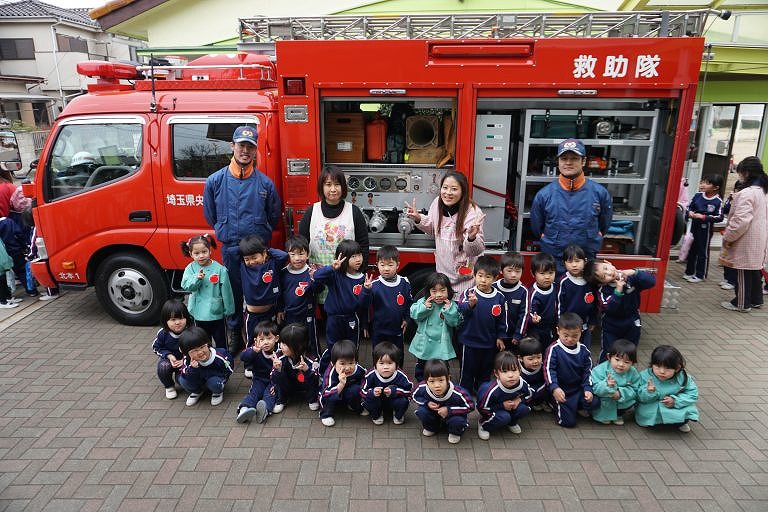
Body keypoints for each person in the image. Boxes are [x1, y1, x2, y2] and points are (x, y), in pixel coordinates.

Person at [203, 126, 282, 354]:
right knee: (234, 293)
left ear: (255, 150)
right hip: (230, 249)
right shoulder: (215, 181)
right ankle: (236, 333)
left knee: (260, 292)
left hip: (258, 252)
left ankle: (262, 336)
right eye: (241, 145)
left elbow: (273, 215)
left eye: (250, 147)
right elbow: (210, 214)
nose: (245, 151)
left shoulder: (265, 184)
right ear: (232, 147)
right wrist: (224, 227)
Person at [530, 138, 613, 273]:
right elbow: (537, 229)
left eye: (574, 158)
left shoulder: (600, 193)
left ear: (583, 161)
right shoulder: (544, 195)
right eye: (563, 158)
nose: (568, 162)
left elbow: (604, 225)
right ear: (558, 162)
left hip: (586, 261)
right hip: (555, 261)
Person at [405, 170, 486, 296]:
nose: (448, 193)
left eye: (454, 189)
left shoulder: (473, 213)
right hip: (443, 277)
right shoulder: (437, 203)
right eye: (445, 188)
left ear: (463, 191)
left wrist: (471, 237)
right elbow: (432, 228)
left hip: (466, 279)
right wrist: (418, 218)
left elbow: (475, 251)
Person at [298, 165, 370, 306]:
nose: (333, 189)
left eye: (337, 184)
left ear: (343, 187)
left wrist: (359, 272)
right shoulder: (312, 211)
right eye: (328, 184)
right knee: (326, 318)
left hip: (346, 277)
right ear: (321, 187)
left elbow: (363, 244)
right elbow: (302, 243)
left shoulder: (353, 212)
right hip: (320, 277)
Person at [313, 239, 372, 373]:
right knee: (333, 348)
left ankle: (353, 374)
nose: (358, 259)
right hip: (334, 319)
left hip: (352, 319)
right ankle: (325, 374)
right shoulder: (335, 274)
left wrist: (367, 291)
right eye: (353, 256)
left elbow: (364, 305)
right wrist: (331, 268)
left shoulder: (363, 278)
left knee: (352, 348)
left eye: (359, 255)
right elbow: (317, 276)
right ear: (343, 258)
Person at [720, 156, 768, 313]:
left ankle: (741, 303)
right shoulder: (764, 191)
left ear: (746, 173)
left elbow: (740, 220)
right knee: (754, 268)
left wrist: (728, 236)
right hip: (761, 236)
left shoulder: (747, 193)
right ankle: (756, 299)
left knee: (742, 269)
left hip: (746, 237)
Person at [585, 259, 656, 363]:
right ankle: (602, 374)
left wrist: (634, 272)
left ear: (608, 263)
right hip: (611, 325)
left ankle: (626, 374)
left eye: (606, 268)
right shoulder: (603, 291)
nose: (609, 272)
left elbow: (651, 282)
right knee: (608, 351)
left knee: (629, 350)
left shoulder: (630, 278)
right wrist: (617, 291)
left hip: (632, 321)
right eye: (604, 276)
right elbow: (609, 308)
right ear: (601, 283)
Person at [456, 255, 507, 395]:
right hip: (469, 341)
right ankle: (464, 393)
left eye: (488, 277)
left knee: (485, 371)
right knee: (467, 370)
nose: (483, 280)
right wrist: (470, 305)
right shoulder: (468, 293)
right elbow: (460, 310)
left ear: (495, 278)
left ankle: (482, 392)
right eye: (480, 275)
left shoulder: (499, 298)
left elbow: (502, 320)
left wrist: (500, 337)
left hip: (488, 343)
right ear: (474, 275)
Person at [238, 234, 288, 377]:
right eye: (247, 259)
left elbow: (283, 255)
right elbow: (231, 252)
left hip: (270, 312)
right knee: (252, 339)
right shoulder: (243, 267)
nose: (251, 262)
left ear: (264, 254)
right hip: (252, 314)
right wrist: (246, 249)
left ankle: (270, 360)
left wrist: (266, 250)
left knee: (269, 337)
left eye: (254, 257)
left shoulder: (272, 263)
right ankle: (249, 364)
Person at [543, 312, 599, 428]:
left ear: (581, 333)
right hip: (560, 391)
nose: (570, 339)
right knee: (568, 423)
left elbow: (587, 371)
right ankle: (552, 401)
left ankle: (576, 406)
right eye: (566, 335)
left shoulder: (584, 350)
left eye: (574, 336)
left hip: (577, 390)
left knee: (594, 402)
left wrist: (587, 389)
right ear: (558, 331)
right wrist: (554, 388)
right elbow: (548, 370)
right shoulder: (554, 349)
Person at [180, 234, 234, 350]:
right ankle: (207, 365)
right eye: (197, 253)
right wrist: (196, 278)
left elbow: (226, 291)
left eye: (204, 252)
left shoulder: (220, 269)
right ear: (191, 254)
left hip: (216, 313)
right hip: (198, 313)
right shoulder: (190, 268)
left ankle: (224, 363)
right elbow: (185, 286)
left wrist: (229, 309)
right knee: (203, 342)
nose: (201, 256)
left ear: (210, 251)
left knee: (221, 342)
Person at [408, 272, 460, 383]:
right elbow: (413, 314)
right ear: (428, 292)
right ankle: (421, 385)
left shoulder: (451, 305)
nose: (438, 295)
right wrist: (424, 307)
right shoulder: (424, 301)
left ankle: (441, 385)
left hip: (441, 345)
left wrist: (448, 310)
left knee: (442, 368)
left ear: (448, 291)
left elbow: (455, 322)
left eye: (442, 290)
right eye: (434, 291)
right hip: (425, 343)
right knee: (422, 367)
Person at [635, 345, 699, 433]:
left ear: (677, 368)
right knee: (646, 413)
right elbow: (638, 396)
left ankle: (680, 422)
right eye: (657, 366)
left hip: (674, 405)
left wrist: (675, 401)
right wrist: (649, 392)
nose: (662, 371)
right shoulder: (645, 375)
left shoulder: (683, 378)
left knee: (687, 411)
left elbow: (692, 394)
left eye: (667, 368)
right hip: (653, 404)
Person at [368, 245, 412, 367]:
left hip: (396, 329)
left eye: (390, 265)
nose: (386, 269)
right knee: (378, 355)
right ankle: (377, 377)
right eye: (382, 265)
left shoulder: (404, 283)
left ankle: (398, 377)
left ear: (398, 265)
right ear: (377, 265)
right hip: (379, 329)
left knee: (397, 355)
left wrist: (406, 319)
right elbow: (364, 305)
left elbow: (409, 303)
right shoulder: (373, 285)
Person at [277, 235, 321, 358]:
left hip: (307, 314)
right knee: (291, 340)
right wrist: (280, 309)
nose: (297, 258)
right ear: (287, 255)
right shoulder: (283, 273)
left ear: (307, 254)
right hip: (289, 315)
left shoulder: (311, 271)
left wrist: (315, 279)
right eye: (293, 254)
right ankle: (292, 362)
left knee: (312, 340)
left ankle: (316, 363)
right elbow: (279, 293)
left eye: (301, 254)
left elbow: (319, 289)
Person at [412, 359, 475, 444]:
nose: (437, 385)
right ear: (426, 381)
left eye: (441, 380)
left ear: (448, 378)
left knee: (458, 421)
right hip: (433, 413)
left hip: (453, 416)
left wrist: (450, 410)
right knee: (422, 411)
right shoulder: (422, 387)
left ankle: (455, 432)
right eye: (432, 381)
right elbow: (413, 395)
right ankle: (432, 427)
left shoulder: (458, 393)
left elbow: (471, 406)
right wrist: (427, 403)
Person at [476, 351, 532, 440]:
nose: (510, 375)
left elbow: (530, 395)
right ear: (496, 374)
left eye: (514, 370)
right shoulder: (491, 390)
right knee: (504, 417)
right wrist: (502, 406)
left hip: (511, 408)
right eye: (505, 371)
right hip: (493, 410)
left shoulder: (522, 384)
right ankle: (484, 425)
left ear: (520, 370)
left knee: (523, 409)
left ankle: (511, 422)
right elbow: (482, 408)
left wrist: (519, 400)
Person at [236, 320, 280, 424]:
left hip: (273, 382)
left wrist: (277, 384)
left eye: (269, 338)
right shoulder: (255, 350)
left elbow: (283, 371)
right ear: (256, 341)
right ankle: (244, 410)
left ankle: (264, 411)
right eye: (262, 339)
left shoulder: (280, 352)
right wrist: (253, 350)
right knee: (254, 393)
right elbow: (243, 357)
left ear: (276, 338)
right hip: (259, 379)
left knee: (270, 395)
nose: (265, 342)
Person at [270, 323, 320, 414]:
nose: (281, 346)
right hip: (288, 385)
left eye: (285, 344)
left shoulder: (312, 359)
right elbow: (273, 378)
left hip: (304, 385)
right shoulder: (280, 357)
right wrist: (278, 370)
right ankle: (282, 400)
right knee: (279, 380)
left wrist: (307, 370)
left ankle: (312, 399)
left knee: (312, 381)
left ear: (298, 346)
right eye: (281, 343)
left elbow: (316, 380)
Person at [178, 326, 234, 407]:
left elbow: (229, 369)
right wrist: (193, 369)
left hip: (215, 378)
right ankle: (197, 391)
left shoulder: (220, 355)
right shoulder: (187, 360)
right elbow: (185, 376)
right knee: (183, 380)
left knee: (214, 383)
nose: (200, 352)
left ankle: (217, 392)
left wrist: (220, 378)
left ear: (207, 344)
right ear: (186, 353)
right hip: (198, 379)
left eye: (202, 347)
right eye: (194, 351)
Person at [683, 174, 724, 283]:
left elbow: (719, 217)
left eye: (708, 183)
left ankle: (700, 275)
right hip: (694, 226)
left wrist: (704, 217)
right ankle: (689, 272)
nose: (704, 185)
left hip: (705, 229)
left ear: (716, 187)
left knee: (702, 251)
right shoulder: (698, 195)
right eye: (704, 182)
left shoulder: (718, 201)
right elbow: (689, 206)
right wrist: (690, 212)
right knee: (692, 250)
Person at [360, 342, 413, 425]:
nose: (385, 367)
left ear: (396, 364)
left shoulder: (401, 375)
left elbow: (410, 391)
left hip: (393, 401)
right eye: (381, 363)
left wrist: (395, 391)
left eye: (390, 363)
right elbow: (362, 391)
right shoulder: (371, 375)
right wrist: (372, 392)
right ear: (375, 364)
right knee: (368, 400)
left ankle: (398, 414)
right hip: (377, 401)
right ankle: (376, 415)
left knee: (403, 401)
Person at [590, 339, 641, 426]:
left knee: (631, 401)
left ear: (633, 363)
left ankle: (618, 414)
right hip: (604, 399)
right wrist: (606, 386)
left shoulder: (633, 372)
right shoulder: (600, 369)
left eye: (626, 362)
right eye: (617, 360)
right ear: (609, 357)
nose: (621, 364)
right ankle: (601, 414)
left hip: (621, 400)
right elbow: (594, 387)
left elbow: (636, 389)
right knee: (597, 400)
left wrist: (620, 393)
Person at [318, 339, 367, 427]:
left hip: (345, 393)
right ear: (333, 363)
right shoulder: (330, 373)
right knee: (328, 398)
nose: (347, 368)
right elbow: (326, 393)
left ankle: (354, 406)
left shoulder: (357, 369)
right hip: (330, 394)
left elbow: (366, 377)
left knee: (356, 389)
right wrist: (340, 384)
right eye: (342, 363)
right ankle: (326, 414)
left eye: (351, 363)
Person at [151, 299, 193, 399]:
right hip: (170, 360)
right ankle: (169, 386)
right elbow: (156, 347)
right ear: (166, 320)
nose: (178, 322)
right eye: (173, 320)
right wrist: (169, 356)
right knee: (163, 366)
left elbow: (198, 349)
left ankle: (180, 379)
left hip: (188, 361)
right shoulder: (163, 333)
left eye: (181, 318)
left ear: (187, 318)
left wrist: (185, 360)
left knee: (183, 382)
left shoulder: (192, 331)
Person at [557, 245, 597, 347]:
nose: (574, 265)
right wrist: (560, 324)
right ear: (564, 263)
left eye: (577, 261)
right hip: (567, 327)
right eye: (570, 262)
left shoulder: (590, 280)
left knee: (585, 349)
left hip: (585, 325)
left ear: (585, 261)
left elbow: (595, 303)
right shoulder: (563, 282)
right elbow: (559, 305)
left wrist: (592, 320)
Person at [493, 251, 529, 350]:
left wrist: (518, 334)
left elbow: (524, 315)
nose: (513, 275)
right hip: (494, 336)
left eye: (517, 271)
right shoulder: (493, 287)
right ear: (501, 270)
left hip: (514, 337)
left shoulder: (523, 291)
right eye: (509, 271)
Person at [719, 179, 746, 290]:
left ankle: (732, 281)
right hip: (729, 230)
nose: (738, 191)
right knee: (725, 256)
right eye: (737, 188)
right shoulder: (732, 198)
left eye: (740, 189)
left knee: (733, 258)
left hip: (737, 233)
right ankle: (727, 278)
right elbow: (725, 210)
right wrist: (730, 200)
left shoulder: (744, 199)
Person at [527, 252, 558, 346]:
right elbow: (528, 313)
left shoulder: (556, 287)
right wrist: (533, 318)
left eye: (551, 273)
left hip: (551, 328)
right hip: (536, 330)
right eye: (542, 273)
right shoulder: (533, 293)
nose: (547, 277)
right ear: (533, 274)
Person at [517, 336, 550, 411]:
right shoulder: (516, 369)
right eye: (531, 359)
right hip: (524, 392)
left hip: (538, 389)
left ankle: (541, 402)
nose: (536, 361)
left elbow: (546, 382)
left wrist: (533, 390)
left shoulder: (543, 367)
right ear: (520, 358)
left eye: (538, 357)